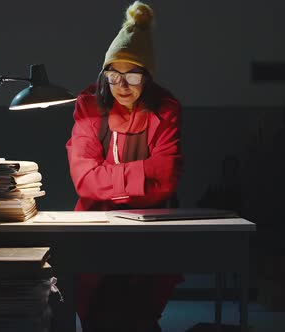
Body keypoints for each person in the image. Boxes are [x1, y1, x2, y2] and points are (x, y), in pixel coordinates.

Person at [66, 2, 183, 331]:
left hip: (152, 230)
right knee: (97, 312)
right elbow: (83, 179)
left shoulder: (165, 107)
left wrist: (109, 183)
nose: (122, 86)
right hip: (93, 229)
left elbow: (166, 179)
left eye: (132, 75)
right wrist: (140, 178)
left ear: (147, 76)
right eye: (113, 75)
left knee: (139, 316)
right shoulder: (89, 105)